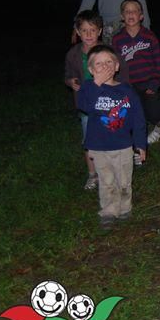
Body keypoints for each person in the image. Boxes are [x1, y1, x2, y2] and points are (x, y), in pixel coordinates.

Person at [76, 45, 146, 228]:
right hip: (99, 146)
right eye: (99, 64)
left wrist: (140, 144)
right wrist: (97, 84)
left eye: (109, 62)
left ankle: (124, 208)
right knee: (106, 181)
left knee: (124, 180)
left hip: (123, 145)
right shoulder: (88, 88)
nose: (105, 66)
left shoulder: (127, 91)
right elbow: (85, 106)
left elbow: (138, 118)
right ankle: (108, 211)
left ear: (116, 66)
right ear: (91, 70)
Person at [111, 0, 160, 148]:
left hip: (148, 82)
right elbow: (114, 63)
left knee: (153, 112)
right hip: (128, 84)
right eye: (127, 11)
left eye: (134, 11)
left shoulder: (149, 36)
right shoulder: (117, 39)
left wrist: (155, 82)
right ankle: (137, 139)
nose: (131, 14)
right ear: (122, 16)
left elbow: (158, 60)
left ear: (141, 16)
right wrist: (117, 84)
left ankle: (159, 125)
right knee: (134, 113)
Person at [65, 10, 106, 190]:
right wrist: (70, 81)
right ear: (78, 31)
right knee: (89, 141)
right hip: (86, 106)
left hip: (106, 104)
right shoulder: (73, 54)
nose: (88, 34)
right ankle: (92, 174)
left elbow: (118, 73)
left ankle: (108, 171)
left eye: (92, 30)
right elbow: (68, 75)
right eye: (84, 30)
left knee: (108, 137)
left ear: (100, 31)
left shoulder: (106, 51)